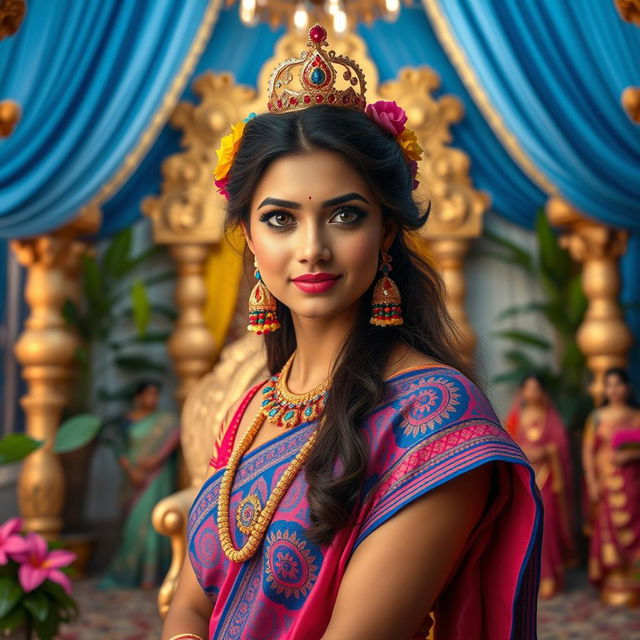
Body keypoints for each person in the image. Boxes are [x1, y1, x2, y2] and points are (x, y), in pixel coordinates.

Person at [162, 24, 541, 640]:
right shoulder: (255, 408)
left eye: (344, 215)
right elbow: (189, 608)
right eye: (281, 219)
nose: (312, 249)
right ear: (251, 242)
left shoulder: (434, 420)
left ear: (387, 231)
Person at [100, 379, 180, 589]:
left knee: (155, 521)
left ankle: (151, 577)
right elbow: (120, 449)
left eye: (155, 395)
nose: (152, 399)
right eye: (148, 394)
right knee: (134, 526)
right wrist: (132, 471)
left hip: (157, 477)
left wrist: (157, 459)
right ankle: (129, 574)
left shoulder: (166, 421)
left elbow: (175, 436)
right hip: (134, 479)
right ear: (138, 397)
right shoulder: (126, 422)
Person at [506, 374, 575, 599]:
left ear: (543, 392)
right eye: (528, 388)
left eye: (536, 389)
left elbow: (560, 446)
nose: (532, 393)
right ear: (522, 392)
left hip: (547, 478)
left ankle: (550, 576)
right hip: (525, 478)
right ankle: (528, 579)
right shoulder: (516, 417)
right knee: (527, 527)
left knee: (547, 528)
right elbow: (507, 444)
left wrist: (547, 452)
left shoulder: (549, 417)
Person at [583, 367, 640, 606]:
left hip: (633, 482)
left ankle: (634, 578)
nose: (614, 389)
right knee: (607, 527)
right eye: (610, 385)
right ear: (605, 389)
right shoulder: (596, 417)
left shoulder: (636, 416)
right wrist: (592, 480)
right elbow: (588, 452)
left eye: (619, 384)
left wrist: (629, 457)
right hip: (607, 482)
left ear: (627, 388)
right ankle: (613, 577)